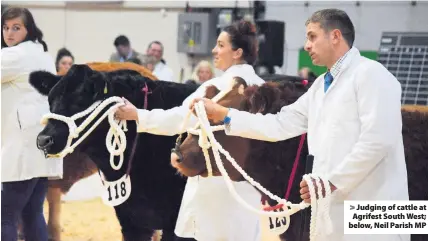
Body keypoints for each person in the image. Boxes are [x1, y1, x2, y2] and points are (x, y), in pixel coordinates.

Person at [189, 9, 409, 241]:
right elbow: (279, 125)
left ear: (335, 36)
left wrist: (332, 182)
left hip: (375, 212)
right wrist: (225, 115)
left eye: (312, 36)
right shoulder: (319, 88)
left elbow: (378, 139)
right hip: (333, 213)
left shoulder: (372, 74)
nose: (306, 45)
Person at [115, 20, 264, 241]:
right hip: (247, 192)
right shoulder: (263, 89)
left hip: (211, 189)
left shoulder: (216, 87)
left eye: (221, 45)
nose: (214, 50)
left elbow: (177, 119)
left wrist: (137, 114)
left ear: (237, 52)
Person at [1, 7, 63, 241]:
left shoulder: (15, 56)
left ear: (29, 30)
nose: (9, 33)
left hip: (22, 147)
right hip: (42, 144)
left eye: (16, 28)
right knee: (31, 212)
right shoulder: (42, 54)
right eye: (5, 28)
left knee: (5, 216)